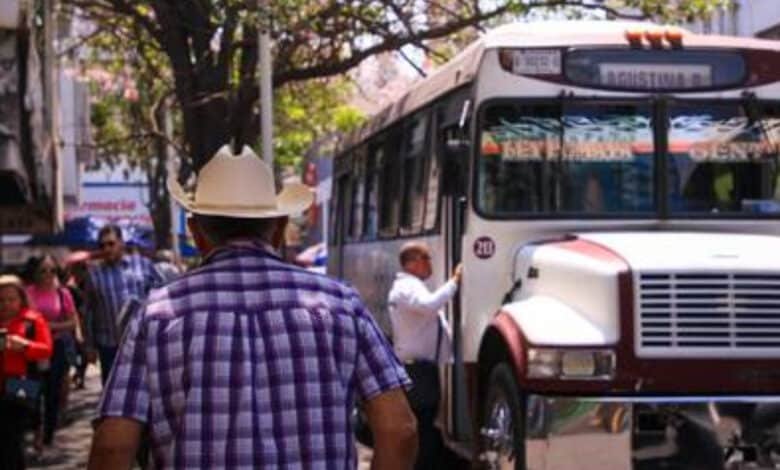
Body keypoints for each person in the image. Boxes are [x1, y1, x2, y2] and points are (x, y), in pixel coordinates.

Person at [88, 145, 418, 470]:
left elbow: (112, 447)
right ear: (278, 228)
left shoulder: (157, 314)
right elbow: (400, 431)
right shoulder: (340, 305)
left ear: (196, 233)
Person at [388, 242, 463, 470]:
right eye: (426, 258)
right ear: (412, 262)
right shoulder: (407, 287)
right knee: (425, 426)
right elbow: (429, 305)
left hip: (421, 368)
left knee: (427, 424)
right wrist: (455, 282)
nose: (430, 263)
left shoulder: (409, 285)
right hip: (418, 370)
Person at [83, 224, 163, 384]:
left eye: (111, 243)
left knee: (145, 389)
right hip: (109, 346)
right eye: (102, 245)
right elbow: (88, 312)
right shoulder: (94, 275)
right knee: (112, 392)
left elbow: (162, 297)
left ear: (121, 243)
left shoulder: (143, 265)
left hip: (142, 341)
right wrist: (89, 346)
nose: (107, 249)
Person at [24, 254, 79, 448]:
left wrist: (50, 326)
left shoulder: (63, 294)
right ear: (35, 272)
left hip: (56, 348)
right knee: (32, 392)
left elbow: (73, 321)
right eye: (43, 270)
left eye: (52, 270)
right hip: (32, 348)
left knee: (53, 392)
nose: (48, 274)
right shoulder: (26, 293)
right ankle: (35, 430)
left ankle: (47, 435)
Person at [0, 275, 53, 470]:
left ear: (21, 299)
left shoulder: (32, 320)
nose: (6, 304)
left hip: (21, 384)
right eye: (1, 300)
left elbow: (46, 349)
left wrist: (24, 346)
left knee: (12, 437)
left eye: (11, 299)